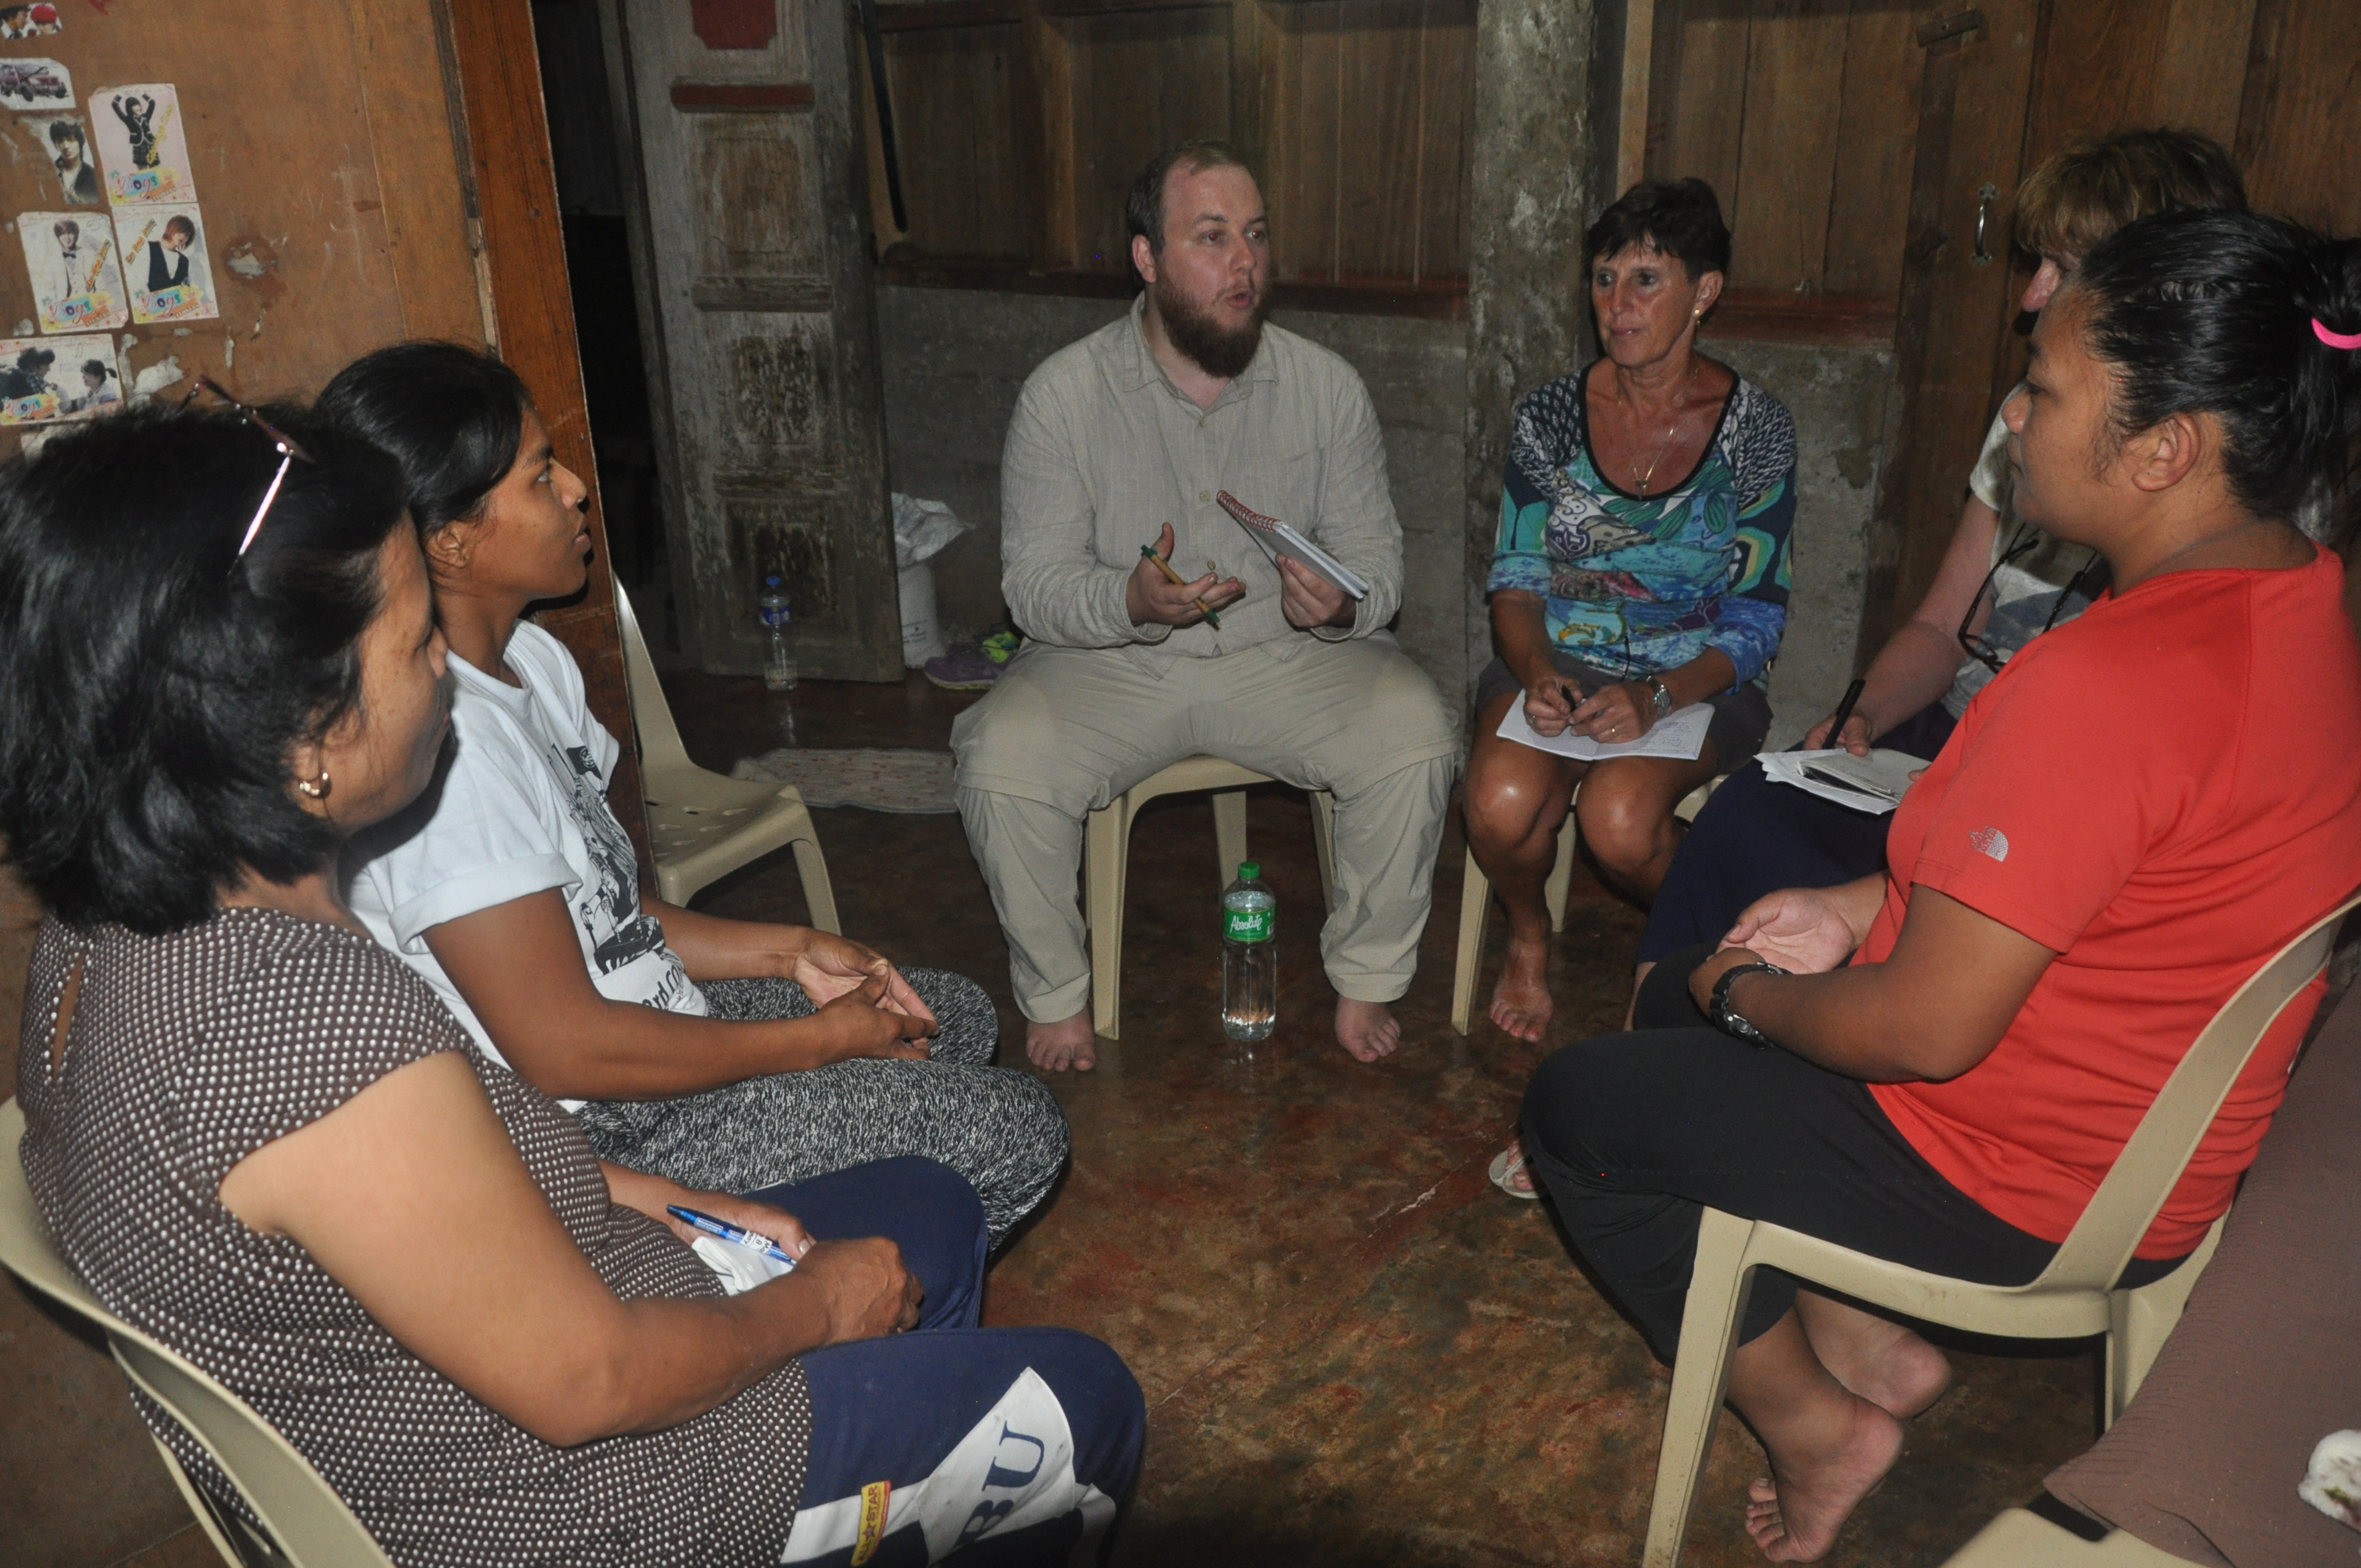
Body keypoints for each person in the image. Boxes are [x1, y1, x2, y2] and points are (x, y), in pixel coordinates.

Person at [2, 402, 1144, 1567]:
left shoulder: (107, 932)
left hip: (523, 1344)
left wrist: (666, 1200)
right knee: (1081, 1396)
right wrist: (812, 1306)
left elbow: (426, 1189)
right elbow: (591, 1381)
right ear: (302, 730)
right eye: (415, 639)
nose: (443, 665)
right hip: (591, 1499)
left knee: (931, 1211)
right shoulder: (297, 1025)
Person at [1522, 208, 2361, 1562]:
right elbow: (2097, 880)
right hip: (2142, 1139)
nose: (2013, 417)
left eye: (2042, 388)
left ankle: (1817, 1423)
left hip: (2015, 1175)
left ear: (2164, 449)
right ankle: (1868, 1341)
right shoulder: (2300, 595)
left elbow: (1923, 1027)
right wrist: (1848, 910)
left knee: (1581, 1102)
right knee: (1688, 996)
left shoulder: (2106, 680)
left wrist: (1742, 992)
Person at [1490, 131, 2253, 1200]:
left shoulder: (2212, 526)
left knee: (1700, 839)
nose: (2028, 297)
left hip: (2032, 779)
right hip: (1957, 729)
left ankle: (1738, 1098)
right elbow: (1942, 625)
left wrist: (1667, 695)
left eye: (2059, 267)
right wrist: (1858, 717)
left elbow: (2086, 766)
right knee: (1748, 813)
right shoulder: (2026, 421)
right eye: (1604, 279)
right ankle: (1653, 1086)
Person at [325, 344, 1070, 1246]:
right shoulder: (452, 755)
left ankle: (845, 1238)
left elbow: (607, 914)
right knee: (1017, 1128)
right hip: (599, 1125)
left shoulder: (533, 661)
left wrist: (789, 951)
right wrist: (815, 1044)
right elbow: (562, 1049)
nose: (577, 490)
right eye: (540, 477)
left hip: (653, 1030)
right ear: (451, 538)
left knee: (944, 1018)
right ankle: (773, 1292)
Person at [951, 140, 1460, 1070]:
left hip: (1284, 659)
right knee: (1000, 755)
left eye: (1256, 237)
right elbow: (1034, 585)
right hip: (1112, 665)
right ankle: (1057, 991)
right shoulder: (1063, 396)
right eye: (1213, 238)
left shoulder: (1325, 388)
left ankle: (1366, 976)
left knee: (1414, 730)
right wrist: (1129, 598)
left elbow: (1380, 567)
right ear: (1146, 258)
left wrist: (1339, 605)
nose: (1244, 264)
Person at [1462, 177, 1796, 1044]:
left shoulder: (1754, 430)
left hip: (1695, 674)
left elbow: (1758, 617)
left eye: (1646, 280)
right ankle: (1528, 933)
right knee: (1498, 801)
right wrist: (1538, 673)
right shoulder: (1551, 416)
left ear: (1705, 291)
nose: (1617, 304)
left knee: (1620, 821)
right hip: (1561, 655)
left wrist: (1658, 695)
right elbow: (1516, 584)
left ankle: (1716, 957)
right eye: (1605, 279)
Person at [47, 118, 96, 204]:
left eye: (71, 140)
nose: (66, 146)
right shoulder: (49, 173)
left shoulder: (92, 175)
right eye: (61, 141)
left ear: (80, 142)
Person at [145, 213, 193, 293]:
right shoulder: (149, 247)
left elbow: (185, 290)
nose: (183, 236)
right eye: (181, 231)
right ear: (172, 228)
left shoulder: (184, 261)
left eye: (187, 235)